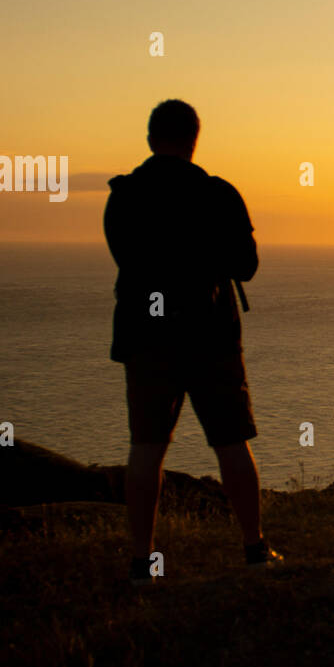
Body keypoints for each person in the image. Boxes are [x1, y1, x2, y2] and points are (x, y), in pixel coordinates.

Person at [104, 99, 281, 586]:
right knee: (232, 444)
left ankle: (142, 563)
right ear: (195, 139)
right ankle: (255, 550)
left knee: (145, 448)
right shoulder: (218, 194)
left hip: (145, 337)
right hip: (210, 335)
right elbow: (245, 266)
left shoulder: (124, 196)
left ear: (149, 138)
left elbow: (125, 258)